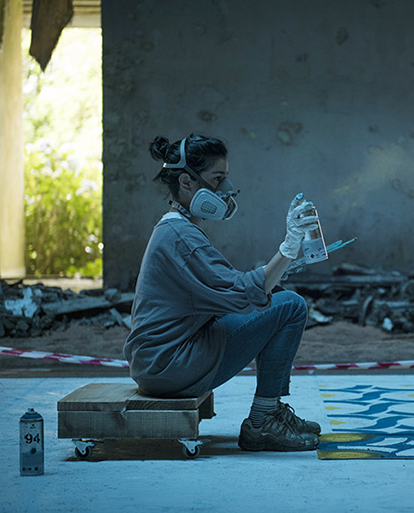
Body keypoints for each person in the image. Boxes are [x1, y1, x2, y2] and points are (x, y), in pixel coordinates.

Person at [124, 133, 322, 452]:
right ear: (187, 182)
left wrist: (277, 273)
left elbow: (227, 292)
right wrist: (288, 247)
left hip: (160, 361)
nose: (226, 190)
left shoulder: (176, 228)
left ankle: (268, 414)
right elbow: (243, 295)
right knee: (291, 307)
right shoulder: (181, 237)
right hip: (171, 365)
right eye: (218, 178)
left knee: (277, 298)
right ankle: (264, 421)